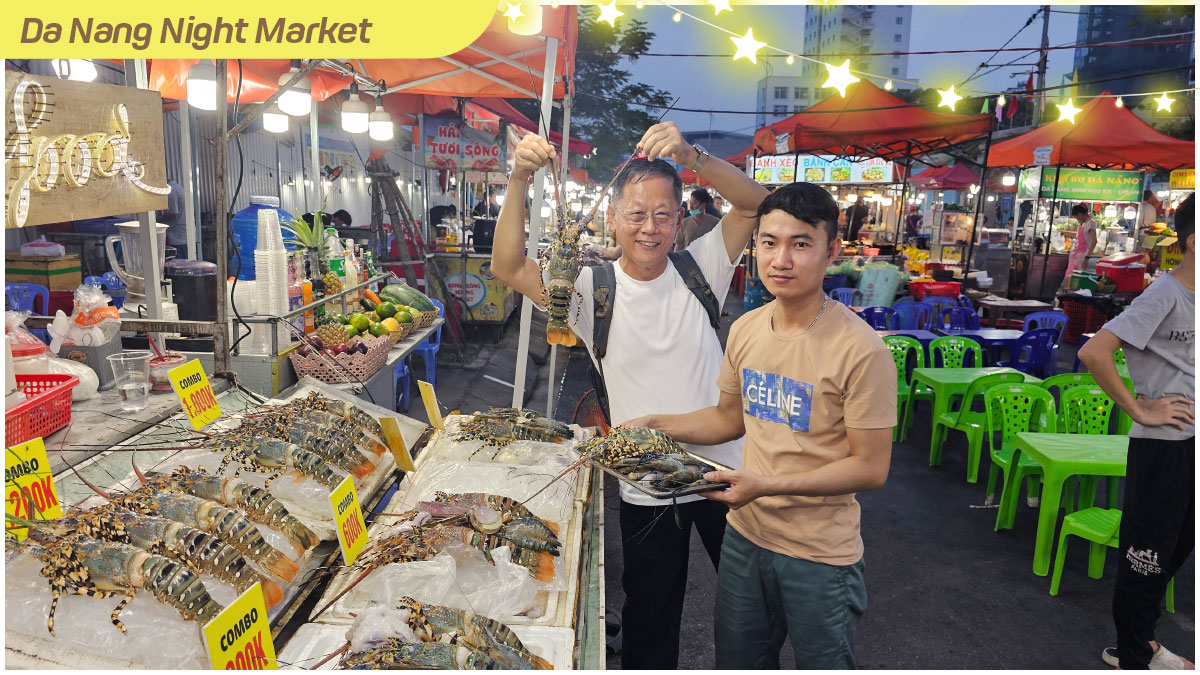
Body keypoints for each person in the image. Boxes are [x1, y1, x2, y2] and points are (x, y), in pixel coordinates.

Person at [491, 121, 768, 669]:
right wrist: (519, 179)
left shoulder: (702, 268)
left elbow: (755, 203)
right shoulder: (590, 290)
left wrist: (694, 155)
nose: (649, 228)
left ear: (680, 220)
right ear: (614, 219)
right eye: (636, 215)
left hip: (726, 472)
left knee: (753, 608)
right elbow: (508, 266)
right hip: (646, 484)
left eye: (663, 214)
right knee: (650, 615)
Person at [627, 182, 896, 669]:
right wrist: (654, 423)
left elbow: (872, 468)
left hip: (819, 555)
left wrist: (767, 485)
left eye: (800, 244)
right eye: (769, 243)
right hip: (745, 540)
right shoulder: (747, 328)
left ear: (831, 250)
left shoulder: (862, 349)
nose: (781, 260)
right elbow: (728, 419)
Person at [1078, 194, 1194, 671]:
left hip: (1192, 444)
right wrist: (1139, 409)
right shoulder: (1164, 293)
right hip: (1164, 448)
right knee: (1146, 556)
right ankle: (1131, 655)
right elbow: (1094, 353)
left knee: (1176, 549)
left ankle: (1141, 640)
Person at [1060, 203, 1098, 291]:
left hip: (1082, 257)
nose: (1077, 219)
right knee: (1071, 278)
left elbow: (1094, 241)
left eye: (1077, 217)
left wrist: (1087, 257)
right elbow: (1079, 235)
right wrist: (1065, 232)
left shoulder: (1091, 223)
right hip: (1076, 256)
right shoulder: (1085, 224)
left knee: (1075, 280)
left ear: (1080, 214)